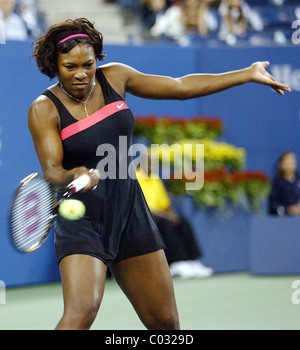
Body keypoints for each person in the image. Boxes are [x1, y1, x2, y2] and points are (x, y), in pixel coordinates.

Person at [28, 17, 290, 330]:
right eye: (70, 67)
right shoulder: (44, 108)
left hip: (130, 212)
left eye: (88, 64)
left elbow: (180, 87)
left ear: (97, 58)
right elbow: (52, 170)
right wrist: (74, 175)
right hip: (83, 220)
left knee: (166, 324)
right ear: (54, 65)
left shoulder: (117, 78)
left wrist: (246, 74)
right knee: (81, 312)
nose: (82, 74)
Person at [136, 154, 213, 278]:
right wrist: (166, 216)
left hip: (159, 215)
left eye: (154, 164)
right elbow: (143, 206)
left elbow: (165, 204)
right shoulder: (135, 177)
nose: (152, 166)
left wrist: (173, 215)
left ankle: (193, 260)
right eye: (150, 164)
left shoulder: (155, 178)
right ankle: (177, 262)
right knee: (165, 223)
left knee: (182, 221)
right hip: (142, 217)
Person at [269, 152, 300, 216]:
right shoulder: (276, 183)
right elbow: (273, 205)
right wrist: (288, 210)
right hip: (282, 220)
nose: (290, 164)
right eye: (287, 161)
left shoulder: (298, 181)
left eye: (292, 161)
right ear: (280, 165)